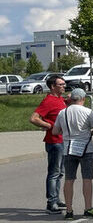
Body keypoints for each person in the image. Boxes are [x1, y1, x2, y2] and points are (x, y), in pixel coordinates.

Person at [51, 88, 93, 219]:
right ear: (83, 99)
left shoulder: (63, 112)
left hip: (68, 148)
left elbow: (55, 131)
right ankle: (88, 208)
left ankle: (69, 210)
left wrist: (67, 133)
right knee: (87, 178)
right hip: (86, 149)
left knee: (69, 179)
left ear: (71, 99)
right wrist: (90, 132)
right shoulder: (87, 112)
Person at [29, 74, 68, 213]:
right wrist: (49, 125)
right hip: (54, 142)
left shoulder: (60, 99)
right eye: (61, 84)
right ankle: (51, 203)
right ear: (53, 86)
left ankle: (56, 199)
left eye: (64, 84)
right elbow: (33, 118)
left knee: (60, 172)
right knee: (54, 172)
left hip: (63, 141)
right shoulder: (48, 101)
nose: (64, 86)